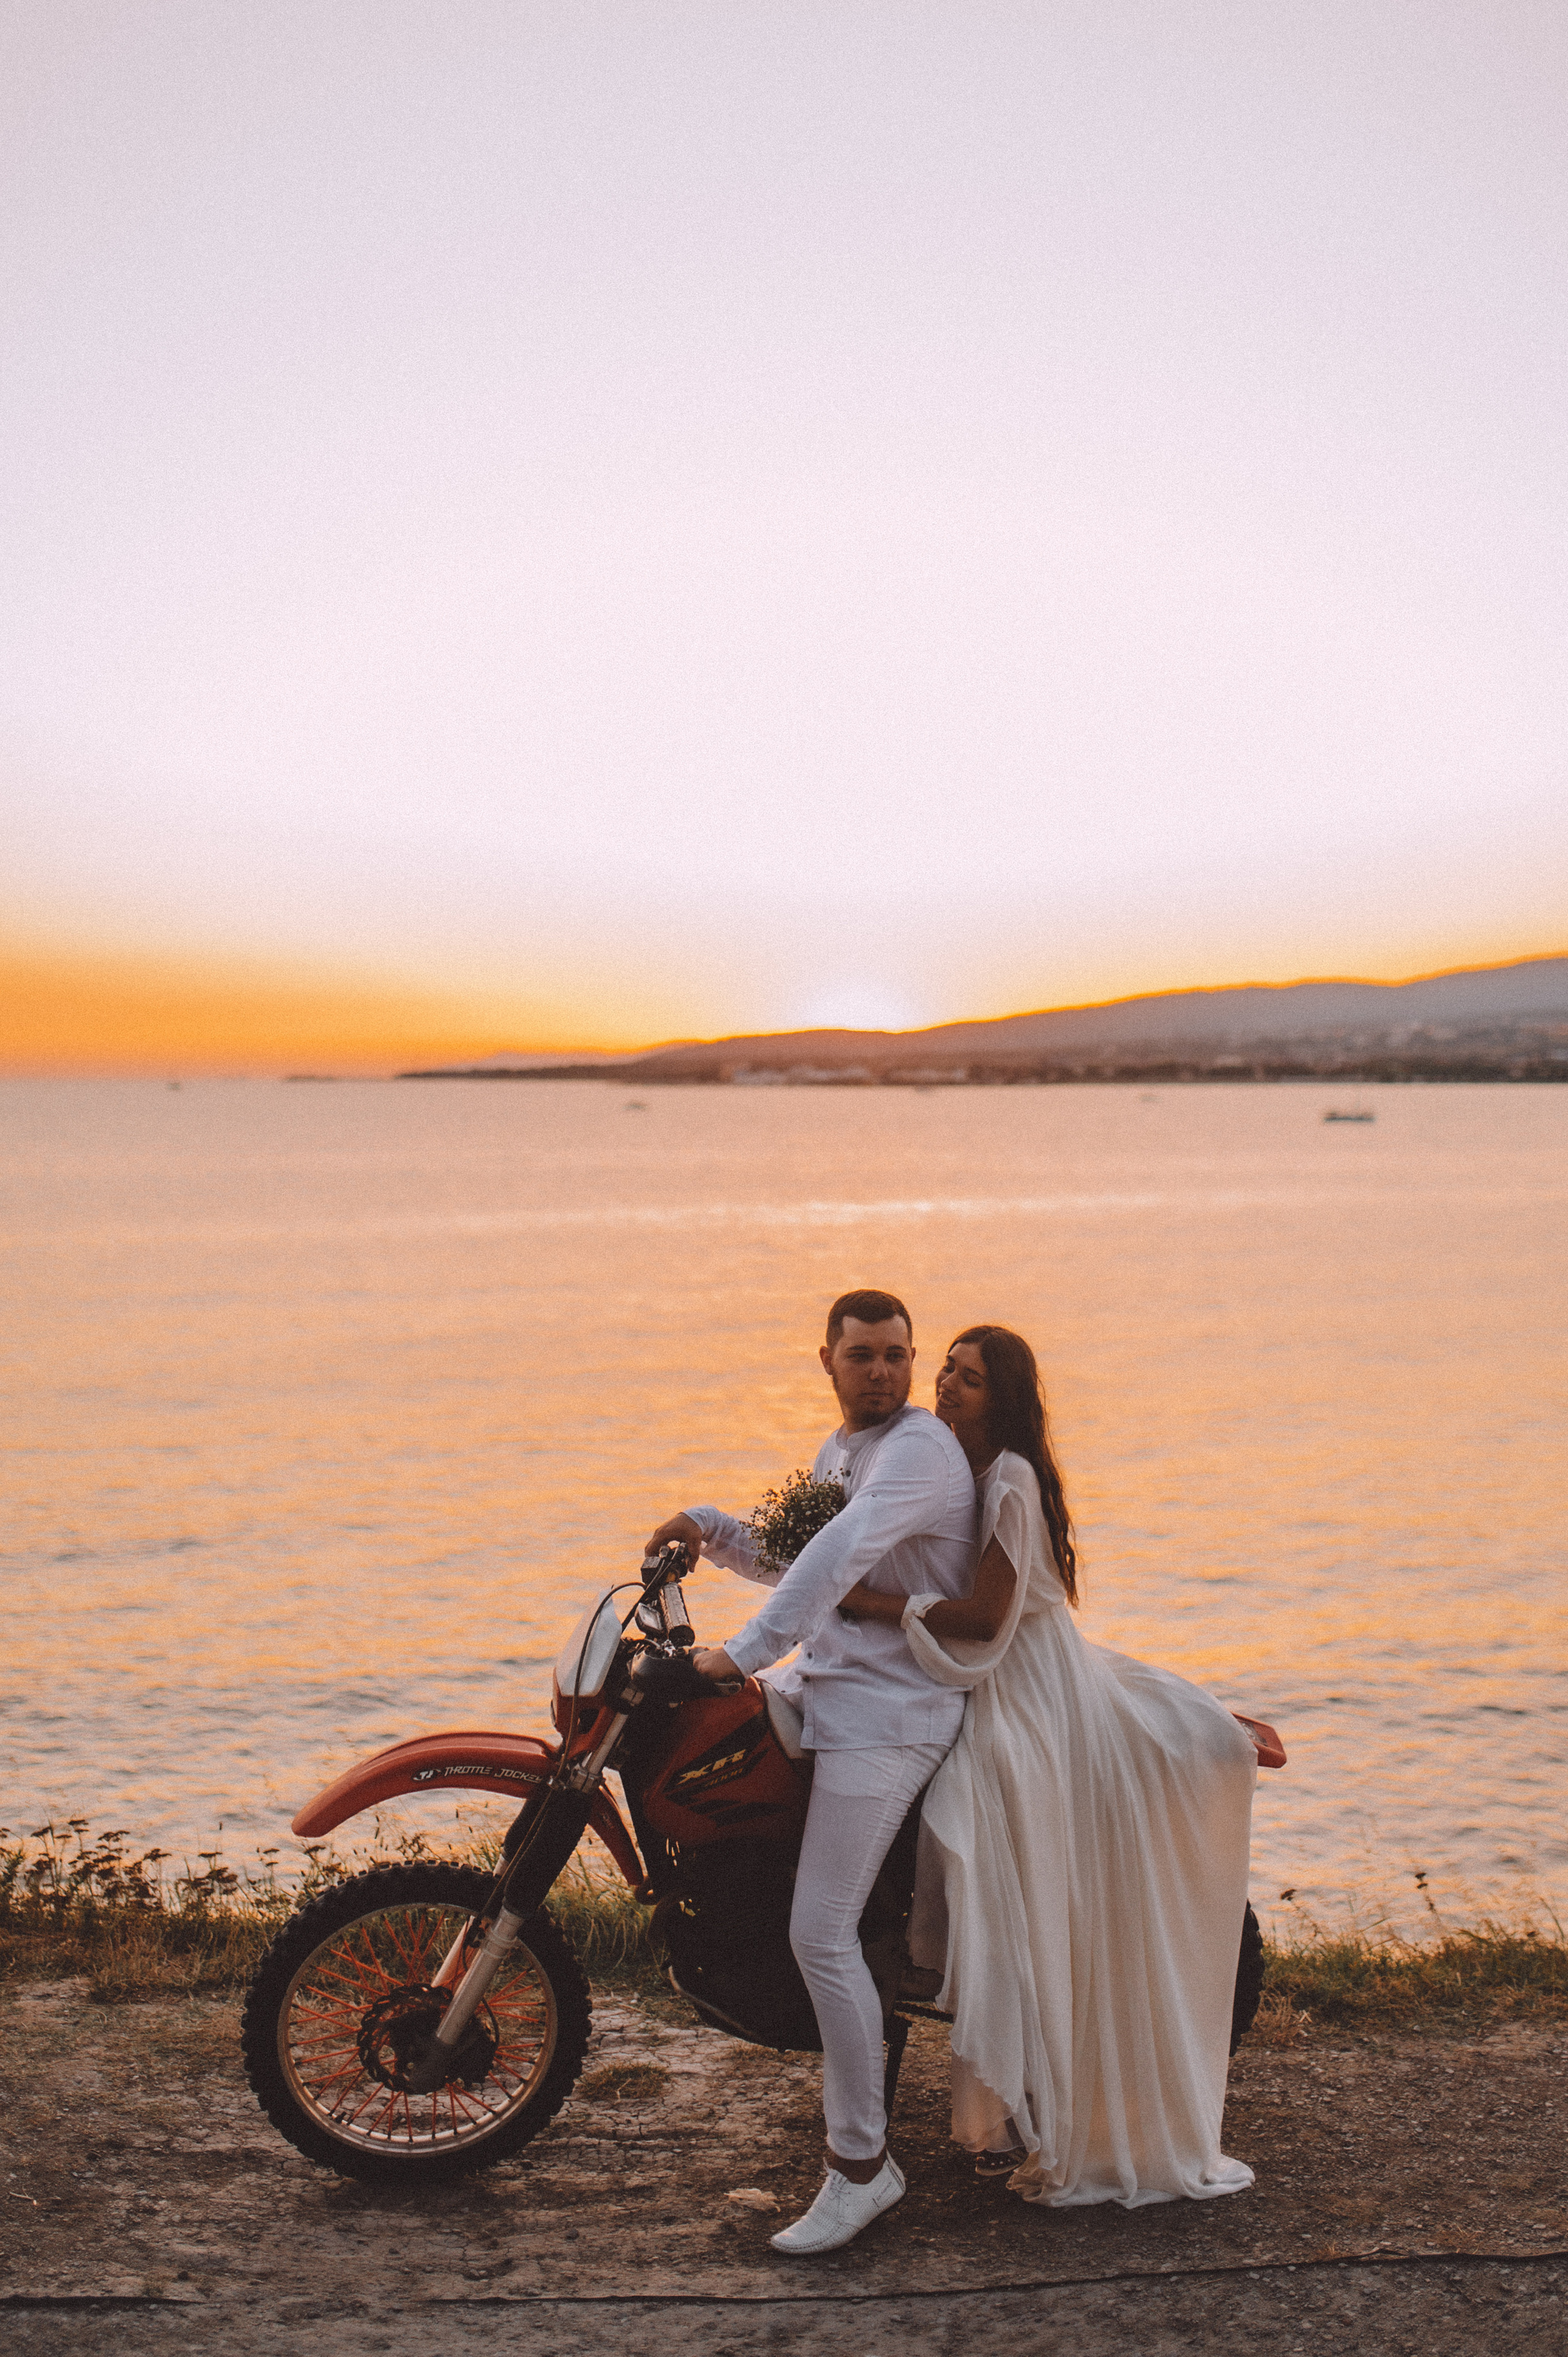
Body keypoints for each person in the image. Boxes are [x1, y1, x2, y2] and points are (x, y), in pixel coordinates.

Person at [837, 1325, 1259, 2208]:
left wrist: (872, 1603)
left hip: (1026, 1679)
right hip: (990, 1673)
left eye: (970, 1378)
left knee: (970, 1819)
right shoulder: (949, 1460)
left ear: (1004, 1398)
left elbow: (989, 1615)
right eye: (947, 1368)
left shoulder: (1012, 1478)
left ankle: (995, 2061)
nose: (947, 1385)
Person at [644, 1288, 978, 2255]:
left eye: (897, 1355)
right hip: (828, 1691)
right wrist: (705, 1528)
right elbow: (796, 1556)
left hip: (891, 1715)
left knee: (820, 1932)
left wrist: (741, 1653)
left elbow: (837, 1553)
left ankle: (863, 2169)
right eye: (862, 1355)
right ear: (826, 1360)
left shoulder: (917, 1452)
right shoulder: (843, 1450)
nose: (882, 1371)